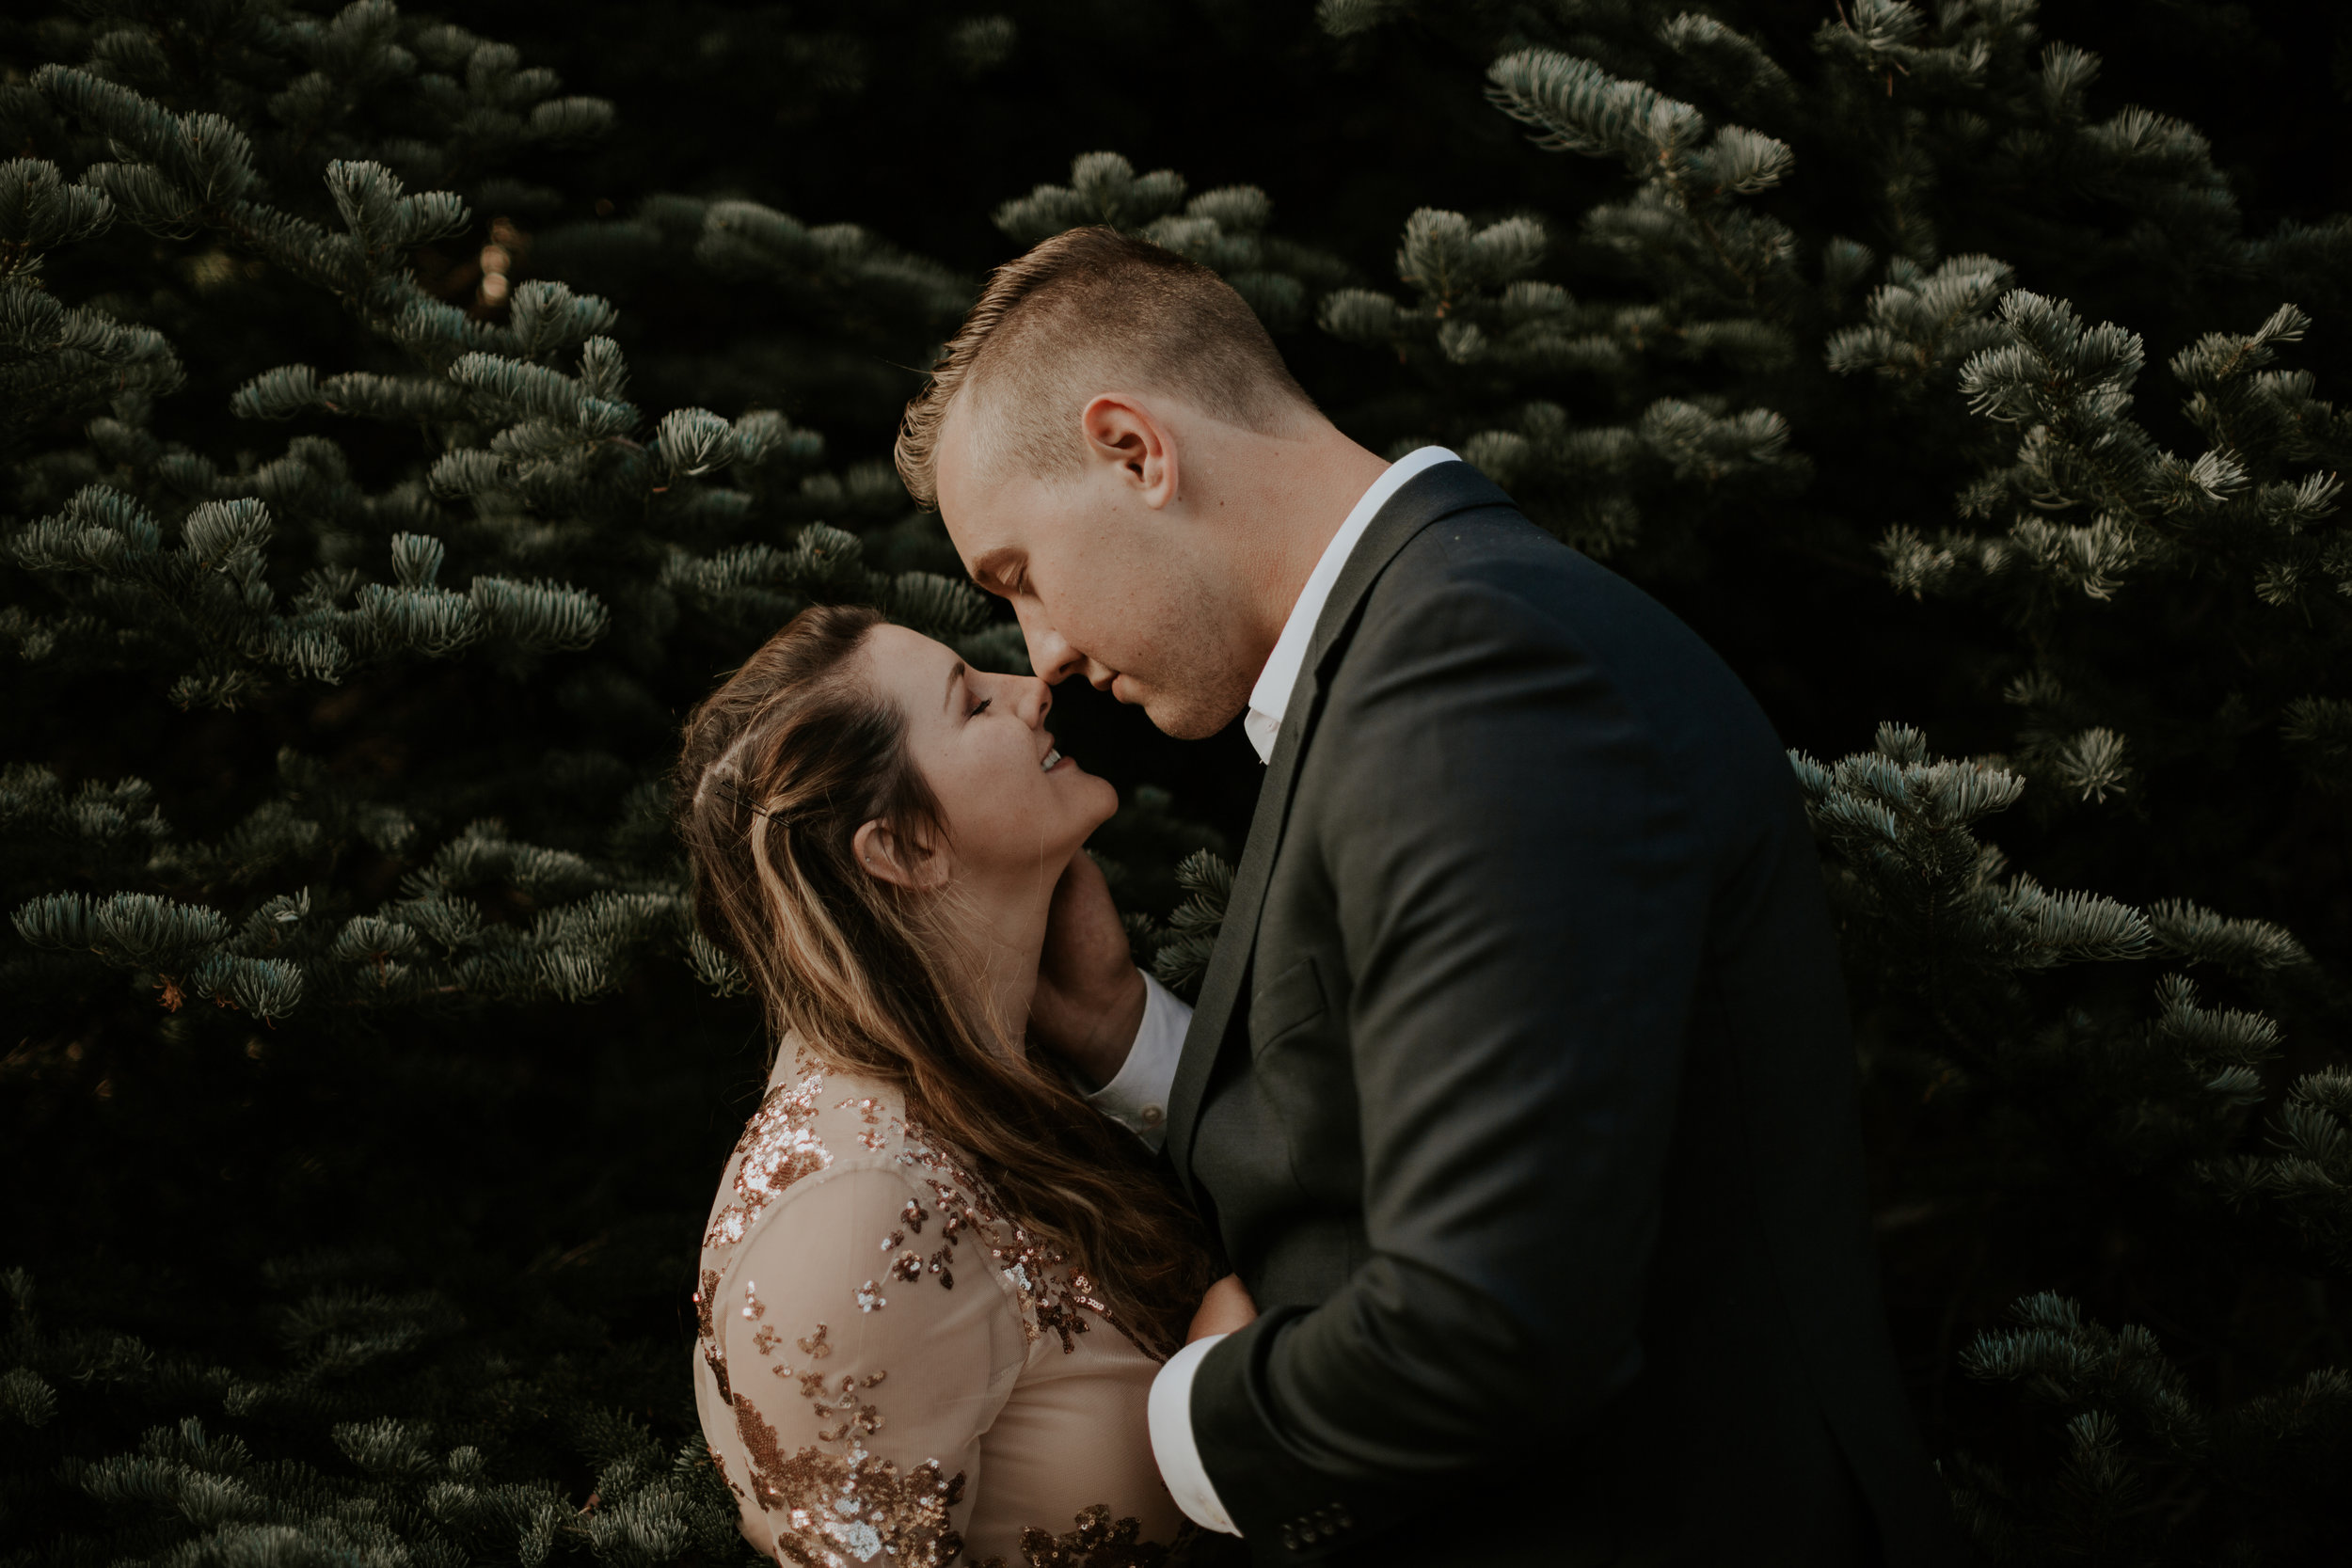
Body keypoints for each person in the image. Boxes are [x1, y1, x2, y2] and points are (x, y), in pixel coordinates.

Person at [892, 227, 1963, 1566]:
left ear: (1134, 450)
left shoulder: (1475, 666)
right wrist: (1127, 1034)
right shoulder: (1423, 647)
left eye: (1017, 575)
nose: (1040, 654)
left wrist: (1159, 1430)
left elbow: (1493, 1317)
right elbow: (1387, 1131)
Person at [673, 603, 1232, 1567]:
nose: (1031, 691)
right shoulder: (855, 1204)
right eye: (972, 703)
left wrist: (1108, 1021)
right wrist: (1224, 1400)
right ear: (902, 847)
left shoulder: (1012, 1079)